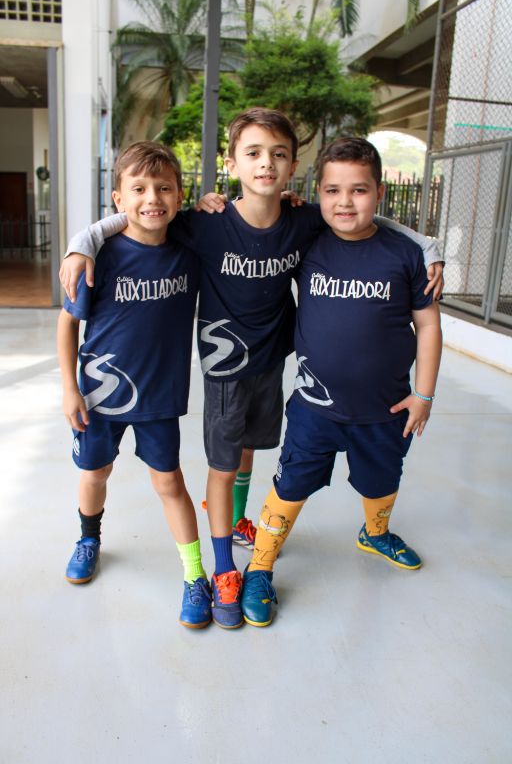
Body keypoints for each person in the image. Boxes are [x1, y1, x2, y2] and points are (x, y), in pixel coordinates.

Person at [59, 109, 444, 630]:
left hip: (272, 362)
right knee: (210, 468)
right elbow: (136, 216)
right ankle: (222, 569)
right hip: (222, 370)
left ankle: (245, 522)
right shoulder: (204, 223)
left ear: (293, 167)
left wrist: (429, 247)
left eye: (278, 154)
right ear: (231, 163)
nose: (266, 163)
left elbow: (366, 217)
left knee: (247, 451)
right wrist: (82, 242)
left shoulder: (305, 221)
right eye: (254, 153)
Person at [240, 137, 443, 627]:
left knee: (382, 480)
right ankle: (260, 565)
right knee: (291, 484)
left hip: (386, 408)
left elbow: (428, 325)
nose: (345, 202)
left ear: (380, 192)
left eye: (359, 190)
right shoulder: (307, 241)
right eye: (332, 191)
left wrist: (423, 394)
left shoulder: (405, 254)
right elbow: (255, 218)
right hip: (315, 407)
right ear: (318, 193)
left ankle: (375, 534)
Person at [57, 141, 212, 630]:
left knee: (169, 482)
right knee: (95, 472)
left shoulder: (190, 251)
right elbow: (67, 323)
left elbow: (236, 224)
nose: (152, 198)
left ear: (179, 195)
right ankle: (88, 538)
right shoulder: (98, 255)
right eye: (139, 189)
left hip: (159, 397)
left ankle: (194, 575)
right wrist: (69, 388)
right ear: (118, 198)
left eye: (164, 188)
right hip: (99, 395)